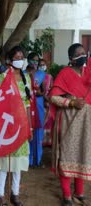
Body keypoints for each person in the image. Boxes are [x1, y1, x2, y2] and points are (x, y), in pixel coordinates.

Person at [50, 43, 91, 206]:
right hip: (69, 121)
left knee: (82, 154)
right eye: (79, 54)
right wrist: (72, 102)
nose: (83, 56)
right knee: (67, 156)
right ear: (71, 58)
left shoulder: (88, 73)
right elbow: (53, 97)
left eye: (84, 53)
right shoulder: (65, 73)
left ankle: (79, 193)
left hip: (86, 123)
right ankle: (67, 196)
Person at [0, 46, 32, 206]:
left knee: (18, 162)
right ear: (10, 60)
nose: (20, 60)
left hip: (22, 126)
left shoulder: (27, 79)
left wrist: (29, 127)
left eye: (22, 57)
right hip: (7, 125)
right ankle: (0, 194)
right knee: (5, 162)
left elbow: (28, 105)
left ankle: (15, 194)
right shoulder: (2, 77)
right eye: (17, 57)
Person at [26, 52, 46, 167]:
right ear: (28, 60)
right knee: (28, 131)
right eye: (33, 60)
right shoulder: (22, 73)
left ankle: (38, 160)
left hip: (38, 107)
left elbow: (43, 91)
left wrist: (40, 93)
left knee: (38, 133)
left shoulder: (41, 74)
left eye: (37, 60)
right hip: (27, 107)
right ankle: (27, 160)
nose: (35, 62)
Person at [39, 59, 53, 146]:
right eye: (40, 65)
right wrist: (44, 97)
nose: (42, 66)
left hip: (48, 102)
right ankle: (41, 141)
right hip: (40, 101)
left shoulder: (49, 77)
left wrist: (49, 98)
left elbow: (52, 88)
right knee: (40, 121)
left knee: (49, 121)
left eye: (43, 65)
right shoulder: (36, 76)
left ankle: (48, 141)